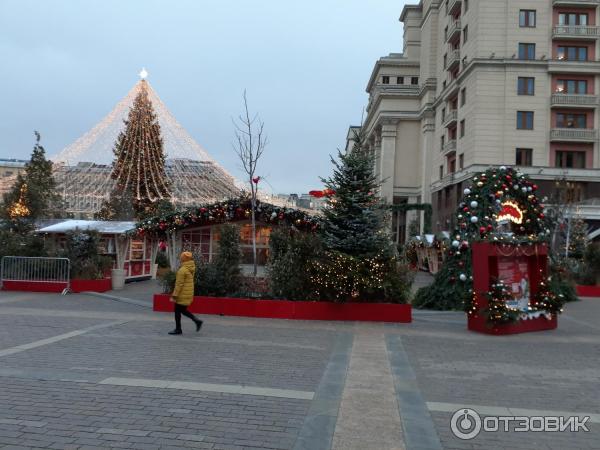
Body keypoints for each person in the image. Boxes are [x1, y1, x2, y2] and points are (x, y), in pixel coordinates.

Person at [168, 251, 203, 335]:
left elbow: (179, 284)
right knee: (182, 310)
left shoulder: (182, 270)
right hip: (188, 293)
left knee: (177, 311)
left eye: (181, 257)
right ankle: (196, 321)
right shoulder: (191, 267)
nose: (180, 259)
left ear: (183, 259)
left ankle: (178, 329)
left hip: (182, 294)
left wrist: (174, 295)